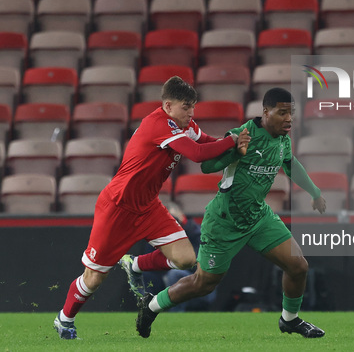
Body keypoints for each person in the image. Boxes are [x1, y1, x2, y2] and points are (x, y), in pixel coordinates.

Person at [53, 76, 250, 340]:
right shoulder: (158, 124)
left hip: (148, 206)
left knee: (186, 258)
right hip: (118, 207)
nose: (191, 112)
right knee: (94, 278)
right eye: (185, 106)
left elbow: (206, 143)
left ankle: (135, 265)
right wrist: (232, 140)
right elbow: (198, 154)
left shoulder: (185, 125)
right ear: (168, 106)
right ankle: (64, 319)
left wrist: (232, 144)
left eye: (193, 106)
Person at [127, 87, 327, 339]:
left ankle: (290, 320)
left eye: (291, 113)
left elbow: (290, 163)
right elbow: (207, 166)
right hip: (225, 221)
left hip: (258, 217)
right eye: (282, 113)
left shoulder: (283, 139)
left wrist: (314, 191)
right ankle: (152, 305)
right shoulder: (241, 134)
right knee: (203, 283)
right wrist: (234, 150)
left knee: (298, 266)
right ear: (266, 112)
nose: (289, 119)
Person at [131, 201, 217, 312]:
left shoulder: (198, 233)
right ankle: (147, 310)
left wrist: (183, 232)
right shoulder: (159, 234)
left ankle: (175, 314)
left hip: (196, 284)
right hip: (165, 281)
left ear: (181, 216)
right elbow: (150, 261)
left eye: (174, 219)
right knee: (146, 275)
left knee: (175, 274)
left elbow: (196, 264)